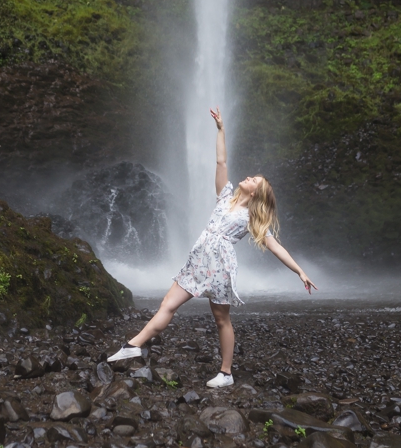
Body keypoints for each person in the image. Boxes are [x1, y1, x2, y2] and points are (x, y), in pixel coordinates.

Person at [106, 107, 315, 387]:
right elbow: (221, 162)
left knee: (221, 320)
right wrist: (220, 130)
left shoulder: (252, 217)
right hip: (199, 259)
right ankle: (134, 344)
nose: (249, 177)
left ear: (255, 193)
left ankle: (226, 373)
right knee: (168, 304)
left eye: (254, 180)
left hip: (220, 266)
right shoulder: (225, 196)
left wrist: (299, 271)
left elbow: (276, 247)